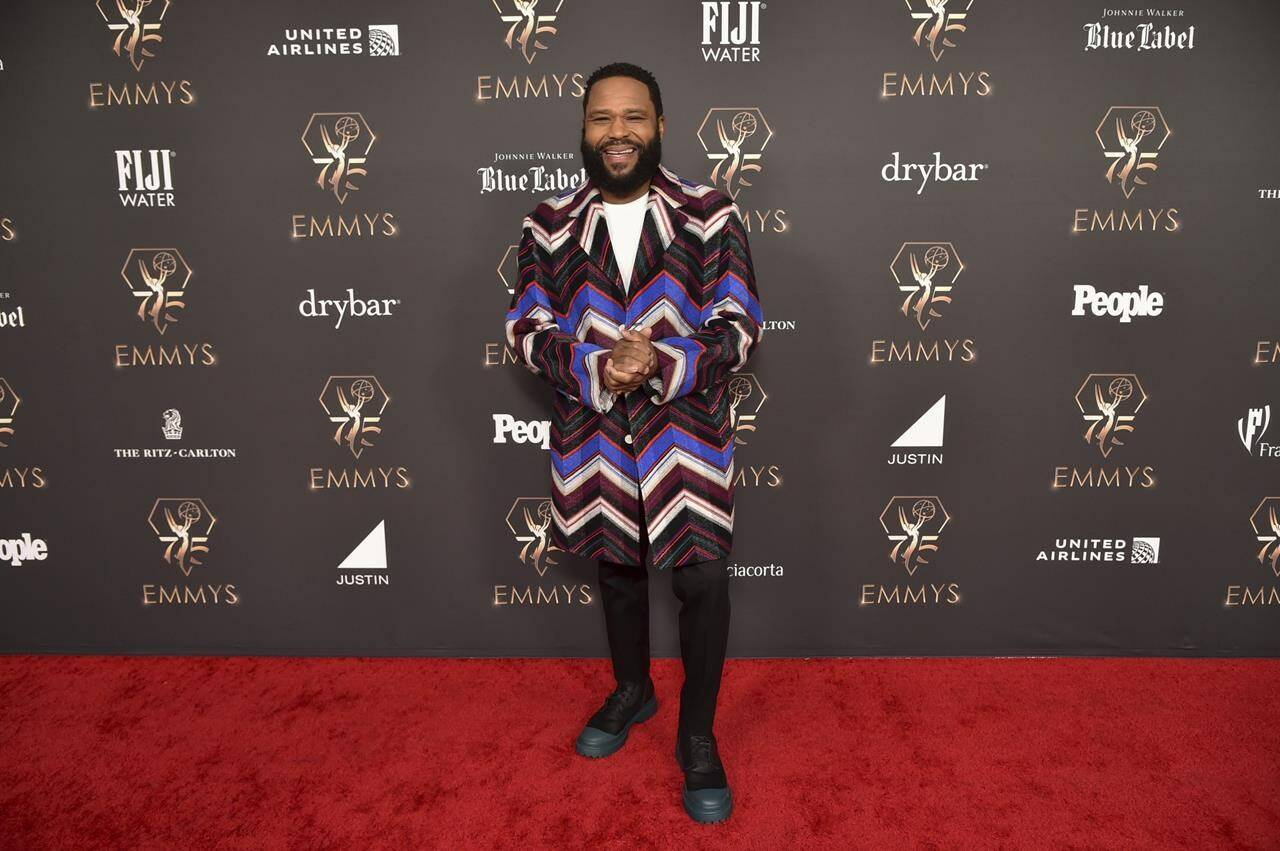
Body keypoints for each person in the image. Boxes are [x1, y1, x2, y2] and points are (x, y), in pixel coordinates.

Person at [503, 61, 764, 824]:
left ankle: (698, 735)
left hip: (686, 437)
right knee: (616, 570)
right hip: (595, 438)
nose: (617, 133)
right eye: (602, 119)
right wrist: (592, 365)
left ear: (661, 125)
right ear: (584, 129)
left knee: (703, 581)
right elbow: (525, 327)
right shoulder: (546, 224)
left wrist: (664, 360)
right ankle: (633, 688)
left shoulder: (710, 213)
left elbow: (740, 324)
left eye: (633, 117)